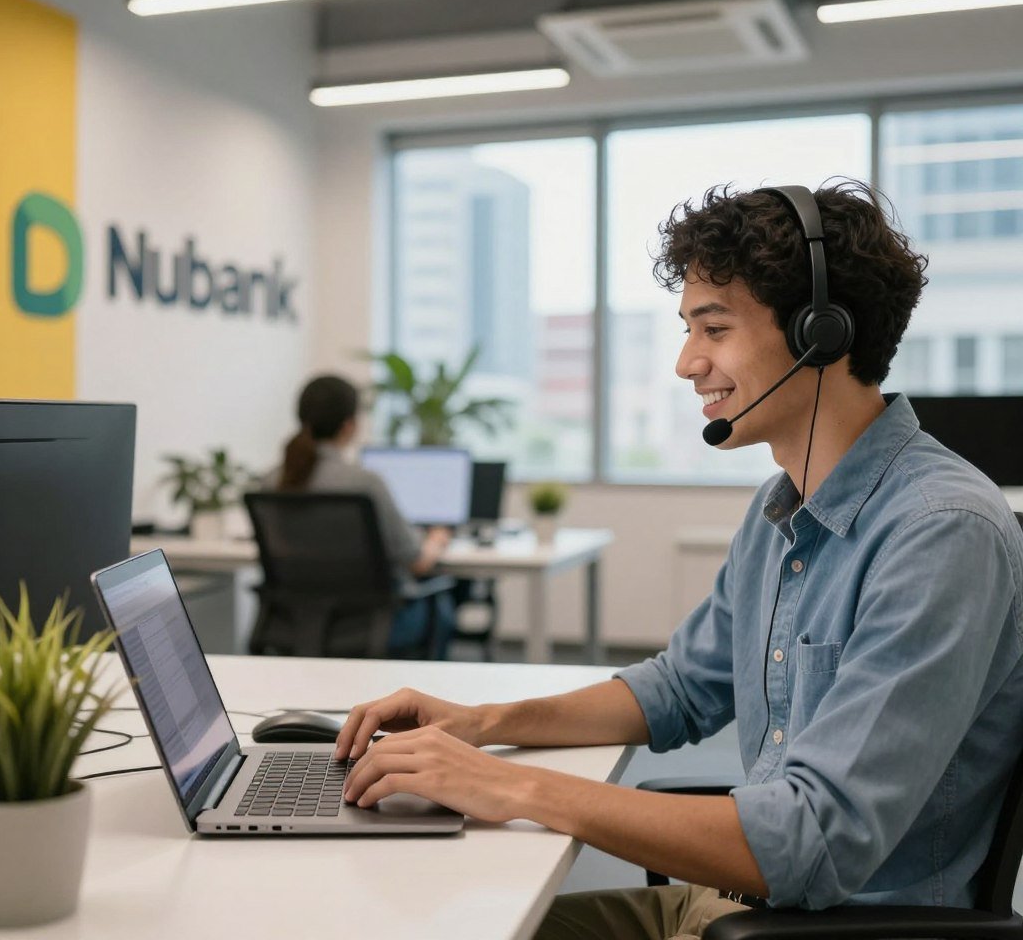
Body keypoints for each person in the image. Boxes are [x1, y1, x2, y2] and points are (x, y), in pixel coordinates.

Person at [333, 181, 1023, 939]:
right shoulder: (781, 510)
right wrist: (484, 723)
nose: (687, 363)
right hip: (734, 907)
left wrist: (510, 786)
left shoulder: (941, 532)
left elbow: (813, 839)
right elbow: (680, 688)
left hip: (832, 926)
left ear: (823, 333)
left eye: (713, 328)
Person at [268, 374, 454, 658]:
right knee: (441, 606)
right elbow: (416, 562)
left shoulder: (271, 481)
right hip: (373, 623)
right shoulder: (364, 483)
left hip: (295, 623)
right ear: (349, 426)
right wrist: (437, 539)